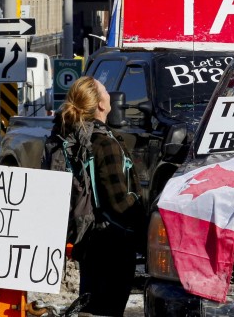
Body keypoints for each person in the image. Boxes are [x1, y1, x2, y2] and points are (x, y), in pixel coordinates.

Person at [55, 76, 144, 317]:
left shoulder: (74, 138)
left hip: (86, 238)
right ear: (101, 105)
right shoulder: (105, 142)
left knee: (90, 305)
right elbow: (117, 200)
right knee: (106, 310)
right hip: (112, 242)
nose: (110, 93)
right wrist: (143, 226)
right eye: (105, 90)